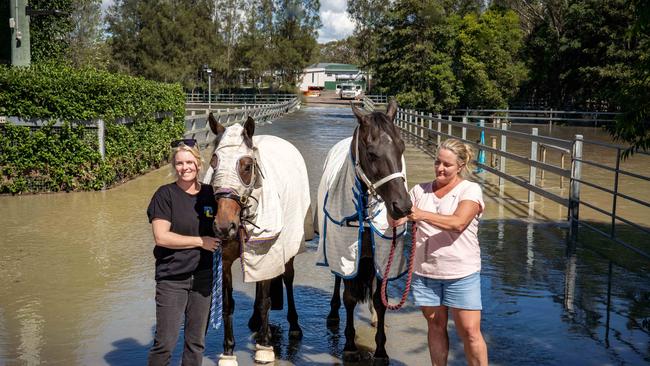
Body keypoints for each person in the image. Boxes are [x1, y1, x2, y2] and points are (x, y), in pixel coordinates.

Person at [391, 138, 488, 366]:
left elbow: (458, 223)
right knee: (435, 326)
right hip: (425, 274)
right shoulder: (418, 191)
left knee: (471, 332)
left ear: (461, 166)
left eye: (447, 164)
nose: (440, 168)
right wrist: (392, 206)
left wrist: (420, 214)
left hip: (461, 274)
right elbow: (397, 222)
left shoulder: (470, 190)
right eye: (437, 162)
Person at [146, 138, 221, 366]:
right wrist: (200, 241)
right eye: (179, 163)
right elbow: (161, 236)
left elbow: (226, 226)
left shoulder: (211, 195)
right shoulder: (164, 195)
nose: (185, 167)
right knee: (165, 344)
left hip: (203, 279)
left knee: (196, 344)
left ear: (199, 164)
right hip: (172, 279)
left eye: (190, 162)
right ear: (174, 166)